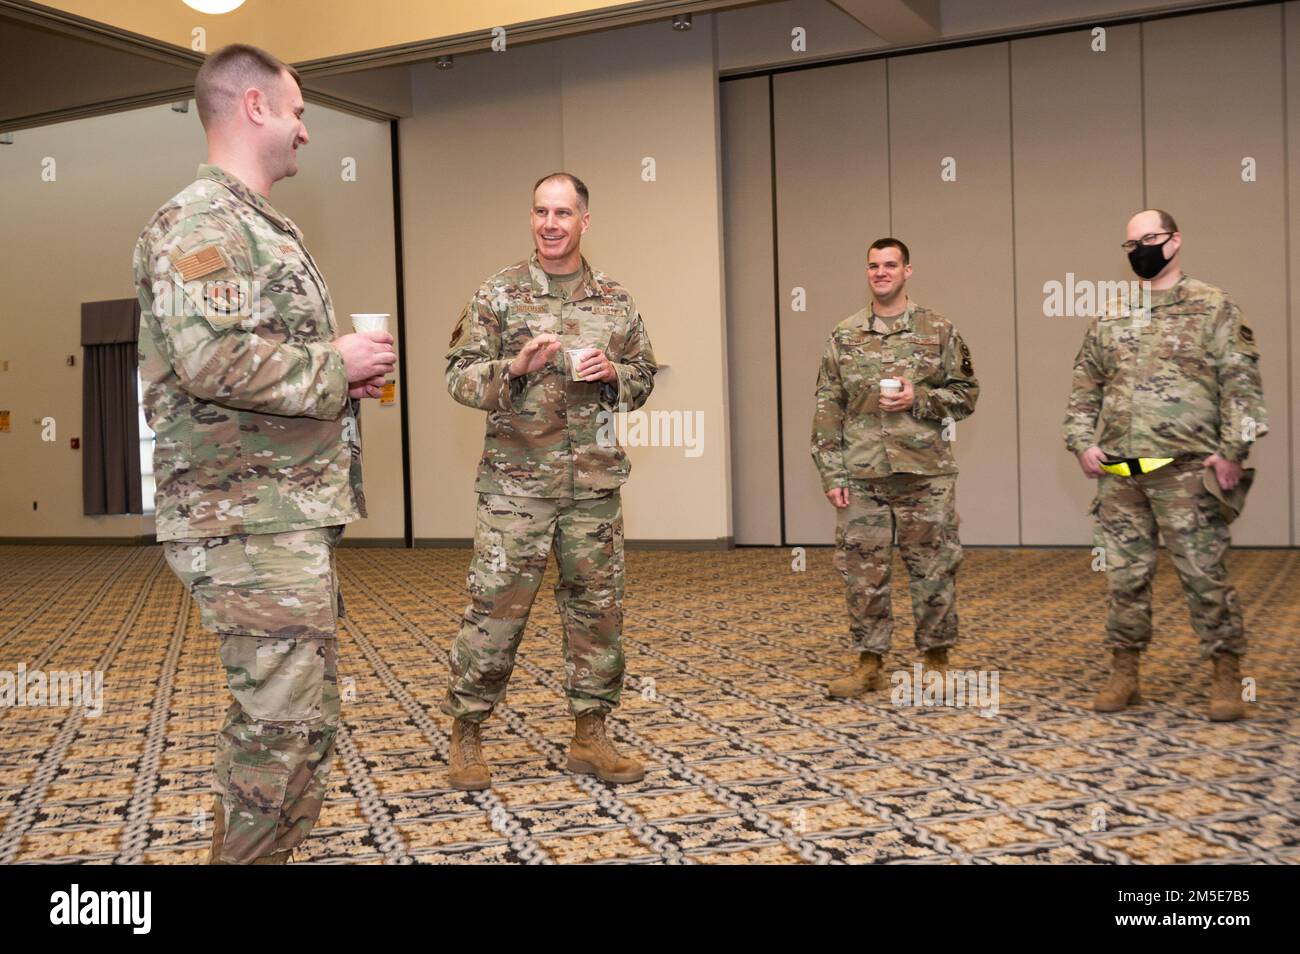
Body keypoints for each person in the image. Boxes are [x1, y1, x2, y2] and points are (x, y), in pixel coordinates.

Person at [133, 43, 396, 863]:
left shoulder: (257, 224)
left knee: (303, 724)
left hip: (279, 510)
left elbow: (247, 359)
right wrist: (334, 365)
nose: (304, 132)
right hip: (242, 517)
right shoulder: (202, 224)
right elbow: (208, 360)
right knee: (278, 729)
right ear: (253, 107)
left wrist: (334, 381)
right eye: (296, 111)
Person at [441, 172, 657, 789]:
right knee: (495, 612)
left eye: (563, 213)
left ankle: (591, 734)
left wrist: (615, 371)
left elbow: (643, 378)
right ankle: (468, 732)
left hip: (592, 488)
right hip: (516, 489)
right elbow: (456, 378)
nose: (550, 224)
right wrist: (513, 366)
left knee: (597, 612)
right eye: (540, 211)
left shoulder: (615, 300)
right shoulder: (499, 294)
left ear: (584, 220)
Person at [1064, 209, 1266, 721]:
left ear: (1175, 241)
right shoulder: (1111, 313)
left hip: (1187, 467)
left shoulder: (1213, 306)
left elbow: (1241, 385)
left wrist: (1233, 451)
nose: (1140, 251)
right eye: (1131, 244)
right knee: (1123, 577)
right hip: (1121, 470)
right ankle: (1124, 672)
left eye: (1149, 240)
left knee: (1203, 573)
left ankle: (1225, 673)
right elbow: (1087, 384)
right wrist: (1081, 442)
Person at [811, 238, 979, 699]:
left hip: (925, 475)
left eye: (890, 265)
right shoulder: (844, 335)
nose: (881, 272)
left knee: (934, 569)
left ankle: (936, 659)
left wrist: (918, 399)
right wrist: (832, 474)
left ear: (908, 271)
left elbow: (966, 395)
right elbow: (828, 407)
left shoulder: (938, 330)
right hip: (863, 475)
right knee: (863, 574)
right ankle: (870, 662)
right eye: (873, 266)